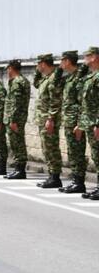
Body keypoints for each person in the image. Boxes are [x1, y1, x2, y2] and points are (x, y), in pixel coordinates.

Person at [59, 50, 89, 193]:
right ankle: (76, 181)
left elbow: (82, 102)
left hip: (75, 122)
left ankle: (79, 182)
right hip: (69, 121)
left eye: (62, 61)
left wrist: (79, 124)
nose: (60, 64)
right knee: (72, 152)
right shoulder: (70, 78)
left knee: (77, 152)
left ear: (68, 61)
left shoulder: (79, 78)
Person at [33, 54, 64, 188]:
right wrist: (36, 71)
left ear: (43, 64)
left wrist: (51, 119)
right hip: (43, 119)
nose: (37, 66)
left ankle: (55, 177)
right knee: (47, 149)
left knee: (51, 149)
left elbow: (55, 101)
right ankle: (52, 176)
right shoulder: (46, 78)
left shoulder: (53, 79)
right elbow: (36, 83)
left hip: (48, 120)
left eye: (38, 64)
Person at [76, 47, 99, 199]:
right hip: (89, 122)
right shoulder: (91, 76)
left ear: (95, 57)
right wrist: (81, 123)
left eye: (87, 56)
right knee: (96, 156)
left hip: (96, 123)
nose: (84, 59)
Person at [4, 60, 31, 179]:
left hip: (16, 118)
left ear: (11, 68)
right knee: (16, 143)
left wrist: (13, 120)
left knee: (17, 143)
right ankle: (18, 169)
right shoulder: (20, 81)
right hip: (17, 117)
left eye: (8, 68)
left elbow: (16, 103)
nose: (7, 71)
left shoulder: (17, 82)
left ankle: (20, 170)